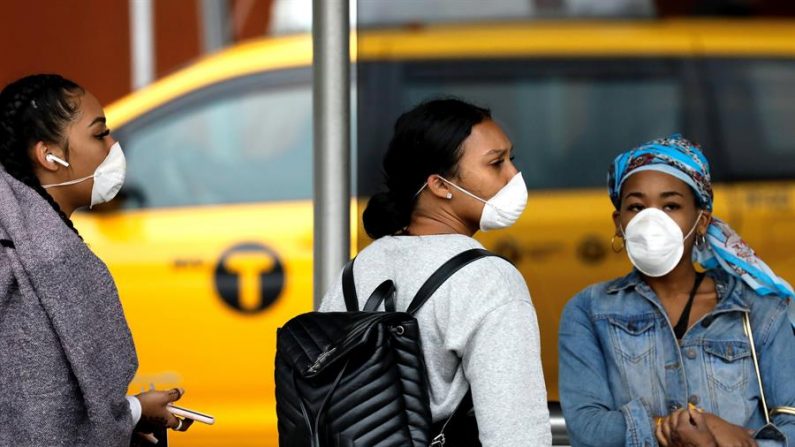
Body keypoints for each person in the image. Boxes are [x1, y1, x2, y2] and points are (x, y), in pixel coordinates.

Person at [319, 98, 552, 445]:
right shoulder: (489, 280)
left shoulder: (358, 270)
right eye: (496, 163)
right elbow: (516, 433)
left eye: (510, 159)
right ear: (441, 185)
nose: (514, 175)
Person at [559, 134, 795, 447]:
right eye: (636, 207)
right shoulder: (589, 311)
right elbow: (587, 429)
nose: (651, 220)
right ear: (619, 223)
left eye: (670, 205)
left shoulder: (760, 311)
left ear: (701, 221)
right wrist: (699, 426)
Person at [0, 74, 190, 446]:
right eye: (99, 134)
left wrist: (128, 415)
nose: (113, 146)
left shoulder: (23, 238)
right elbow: (44, 421)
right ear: (48, 156)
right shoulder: (46, 260)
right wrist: (133, 411)